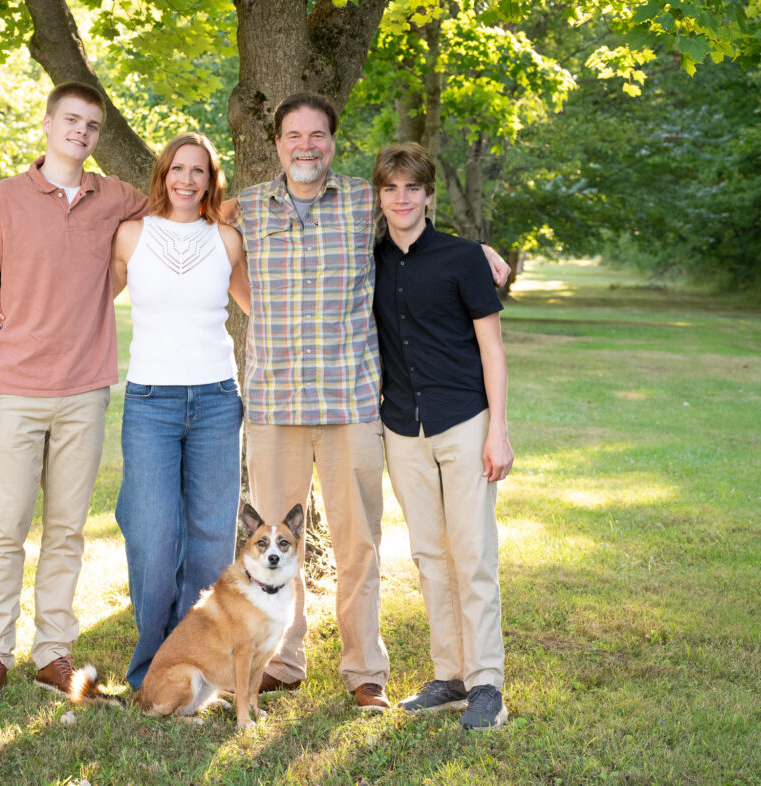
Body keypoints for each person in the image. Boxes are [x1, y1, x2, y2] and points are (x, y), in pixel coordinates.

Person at [231, 93, 510, 711]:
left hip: (353, 405)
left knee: (359, 546)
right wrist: (265, 315)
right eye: (294, 135)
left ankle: (363, 671)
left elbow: (419, 226)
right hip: (276, 405)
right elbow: (199, 232)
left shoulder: (363, 200)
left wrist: (479, 253)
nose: (306, 145)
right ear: (277, 144)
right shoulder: (246, 207)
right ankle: (284, 658)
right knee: (272, 544)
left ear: (333, 142)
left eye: (318, 135)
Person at [0, 82, 148, 705]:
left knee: (67, 528)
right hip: (15, 386)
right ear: (47, 124)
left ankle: (52, 656)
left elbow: (182, 206)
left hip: (86, 388)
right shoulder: (4, 199)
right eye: (71, 120)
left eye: (92, 126)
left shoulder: (116, 196)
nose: (82, 133)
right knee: (6, 527)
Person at [371, 141, 513, 730]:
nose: (401, 198)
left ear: (428, 195)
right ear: (380, 197)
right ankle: (449, 675)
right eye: (390, 188)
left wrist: (498, 430)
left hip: (464, 420)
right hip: (401, 426)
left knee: (473, 553)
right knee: (430, 555)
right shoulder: (368, 257)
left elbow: (492, 348)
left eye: (412, 188)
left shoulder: (462, 258)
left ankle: (487, 686)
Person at [110, 132, 250, 690]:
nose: (187, 180)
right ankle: (151, 666)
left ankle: (201, 665)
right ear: (163, 174)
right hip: (150, 402)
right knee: (150, 534)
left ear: (212, 180)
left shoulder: (228, 241)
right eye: (178, 169)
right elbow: (86, 299)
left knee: (211, 537)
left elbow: (262, 307)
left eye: (199, 171)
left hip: (217, 399)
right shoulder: (131, 236)